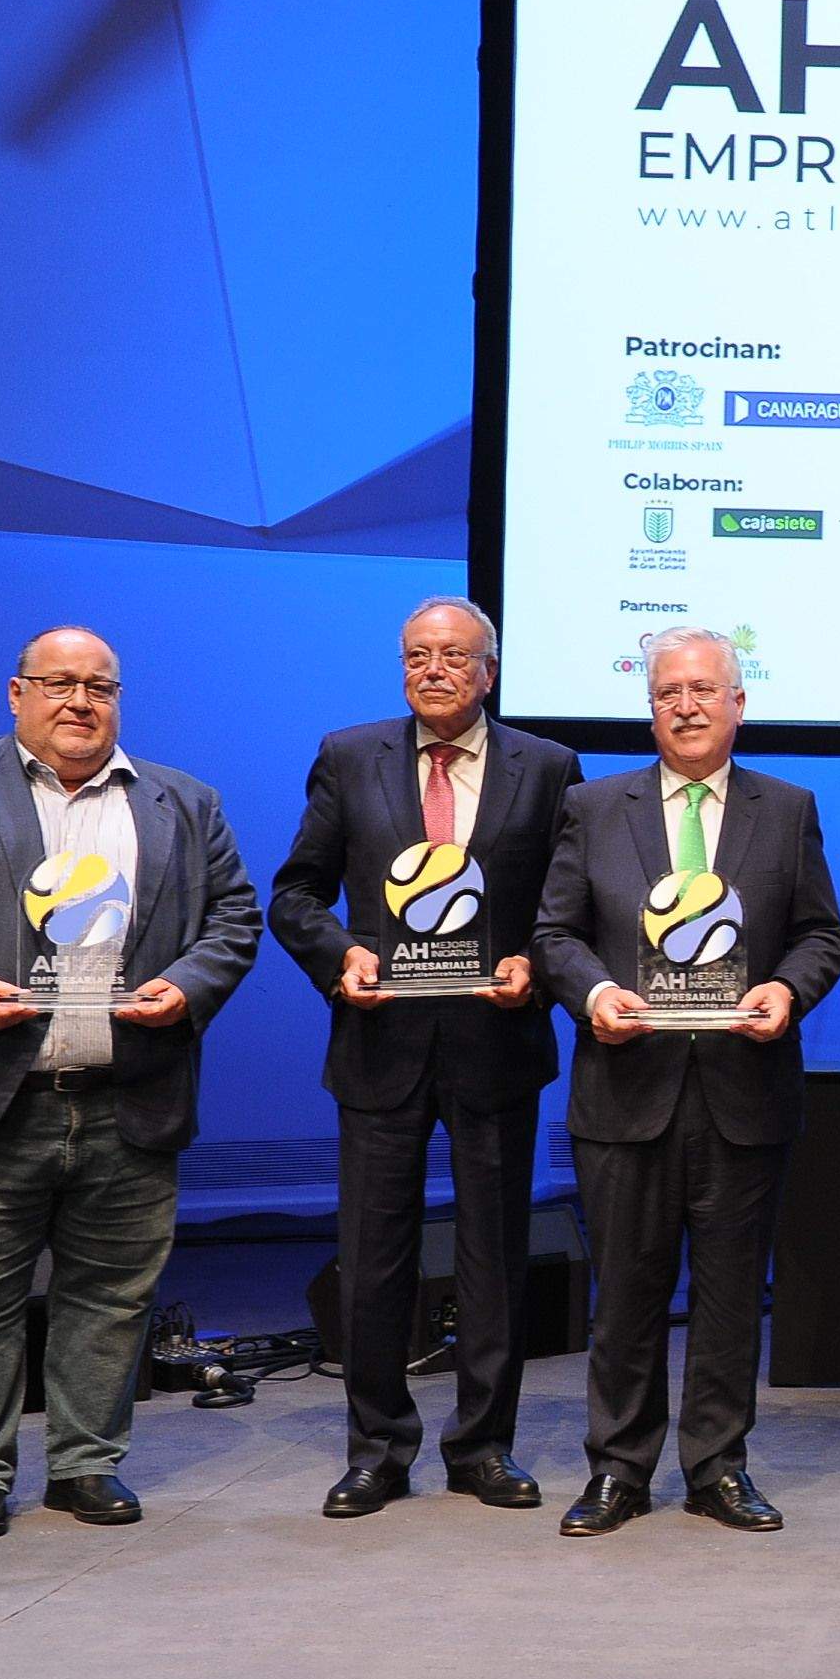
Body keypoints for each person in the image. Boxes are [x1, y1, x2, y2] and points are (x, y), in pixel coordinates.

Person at [0, 627, 261, 1539]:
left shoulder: (184, 801)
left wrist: (183, 989)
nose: (81, 701)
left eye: (101, 687)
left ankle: (85, 1464)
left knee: (111, 1296)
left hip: (128, 1092)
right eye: (59, 683)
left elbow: (234, 918)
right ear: (16, 693)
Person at [530, 626, 840, 1538]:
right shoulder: (594, 805)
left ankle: (718, 1466)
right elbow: (555, 935)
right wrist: (592, 993)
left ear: (738, 704)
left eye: (706, 689)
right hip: (626, 1092)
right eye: (670, 692)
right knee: (625, 1292)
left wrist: (788, 989)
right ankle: (619, 1470)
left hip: (744, 1091)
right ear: (651, 706)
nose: (688, 705)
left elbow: (820, 934)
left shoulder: (786, 809)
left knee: (730, 1293)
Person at [268, 597, 579, 1519]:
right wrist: (340, 957)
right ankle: (377, 1449)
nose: (432, 669)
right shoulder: (349, 756)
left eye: (452, 656)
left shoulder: (550, 767)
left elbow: (567, 904)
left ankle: (484, 1446)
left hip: (496, 1038)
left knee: (494, 1255)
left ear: (489, 669)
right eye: (416, 655)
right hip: (381, 1041)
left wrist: (536, 964)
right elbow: (296, 894)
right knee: (372, 1259)